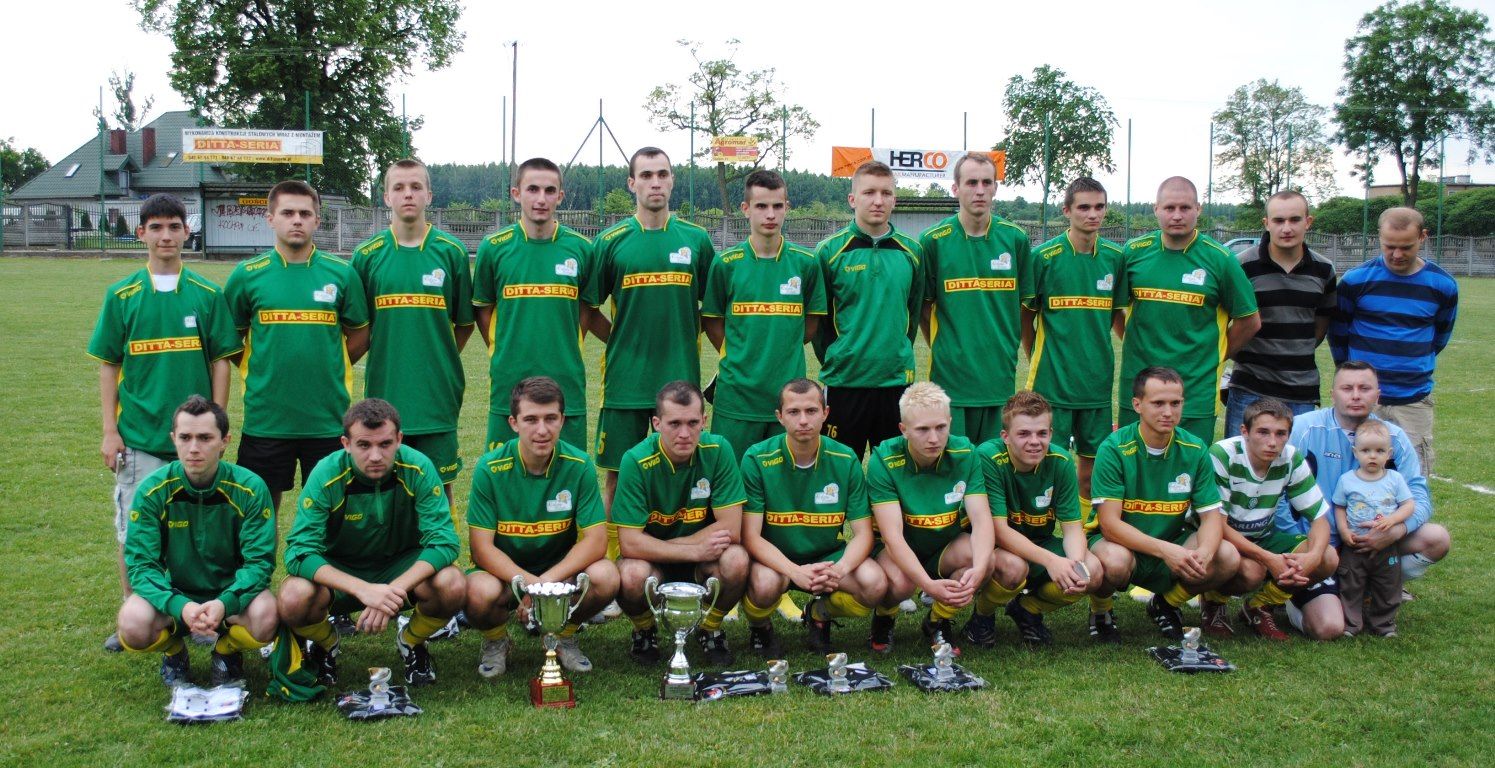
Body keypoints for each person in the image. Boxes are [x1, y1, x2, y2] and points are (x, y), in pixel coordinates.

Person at [89, 193, 242, 652]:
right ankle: (134, 610)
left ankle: (203, 614)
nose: (166, 235)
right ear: (141, 233)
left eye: (174, 226)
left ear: (186, 232)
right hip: (141, 438)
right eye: (155, 227)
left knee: (199, 531)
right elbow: (109, 365)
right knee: (135, 531)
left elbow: (220, 361)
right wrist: (110, 430)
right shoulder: (122, 295)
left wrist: (216, 425)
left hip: (196, 442)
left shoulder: (207, 294)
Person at [278, 398, 465, 687]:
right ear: (346, 443)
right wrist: (363, 590)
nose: (375, 456)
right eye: (364, 445)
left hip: (401, 567)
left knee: (452, 583)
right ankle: (326, 643)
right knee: (293, 596)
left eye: (385, 444)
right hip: (342, 570)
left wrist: (392, 590)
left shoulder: (418, 467)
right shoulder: (327, 473)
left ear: (399, 439)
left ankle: (411, 641)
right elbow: (298, 552)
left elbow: (445, 543)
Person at [224, 180, 369, 514]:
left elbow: (360, 336)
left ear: (317, 220)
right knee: (259, 513)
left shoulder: (341, 273)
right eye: (287, 213)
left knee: (333, 512)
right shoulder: (247, 275)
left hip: (327, 419)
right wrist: (259, 366)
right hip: (266, 419)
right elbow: (229, 340)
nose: (297, 220)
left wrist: (330, 364)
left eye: (305, 213)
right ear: (270, 218)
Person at [583, 147, 714, 515]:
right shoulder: (610, 241)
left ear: (672, 180)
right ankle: (613, 548)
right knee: (617, 476)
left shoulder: (696, 240)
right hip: (625, 381)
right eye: (646, 175)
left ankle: (676, 546)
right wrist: (619, 337)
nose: (655, 182)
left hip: (680, 379)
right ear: (632, 183)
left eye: (662, 174)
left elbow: (715, 308)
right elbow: (588, 307)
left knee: (680, 474)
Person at [462, 377, 618, 678]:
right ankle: (497, 640)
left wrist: (543, 585)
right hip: (504, 576)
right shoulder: (489, 468)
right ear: (513, 423)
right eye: (531, 419)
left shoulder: (579, 464)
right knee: (476, 591)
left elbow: (597, 541)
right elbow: (481, 549)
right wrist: (528, 585)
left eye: (550, 418)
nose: (542, 430)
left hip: (559, 574)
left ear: (562, 420)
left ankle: (564, 635)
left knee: (606, 575)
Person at [116, 396, 276, 688]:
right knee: (132, 623)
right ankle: (174, 653)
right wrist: (181, 606)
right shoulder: (152, 490)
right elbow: (141, 566)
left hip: (231, 594)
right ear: (173, 439)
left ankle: (226, 651)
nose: (193, 448)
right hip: (177, 593)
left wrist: (225, 603)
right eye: (185, 437)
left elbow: (259, 564)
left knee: (267, 617)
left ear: (224, 441)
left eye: (205, 438)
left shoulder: (250, 488)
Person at [1278, 361, 1450, 630]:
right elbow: (1275, 491)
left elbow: (1419, 496)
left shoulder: (1394, 438)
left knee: (1436, 539)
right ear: (1332, 394)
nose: (1356, 395)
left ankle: (1371, 588)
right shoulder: (1302, 429)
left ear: (1377, 395)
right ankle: (1291, 599)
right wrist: (1303, 542)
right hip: (1317, 545)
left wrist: (1396, 530)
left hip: (1372, 541)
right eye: (1347, 388)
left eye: (1364, 388)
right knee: (1328, 628)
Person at [865, 382, 1026, 654]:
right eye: (922, 430)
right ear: (903, 429)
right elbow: (892, 537)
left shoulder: (965, 453)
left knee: (985, 559)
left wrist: (980, 568)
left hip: (944, 547)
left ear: (950, 422)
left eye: (941, 427)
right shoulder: (883, 459)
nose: (934, 438)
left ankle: (937, 620)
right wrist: (927, 585)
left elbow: (982, 520)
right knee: (902, 582)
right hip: (898, 549)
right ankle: (885, 616)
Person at [352, 158, 475, 495]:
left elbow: (464, 324)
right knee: (386, 488)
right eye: (399, 187)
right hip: (385, 392)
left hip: (437, 395)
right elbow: (358, 328)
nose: (408, 194)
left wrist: (438, 357)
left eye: (416, 186)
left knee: (440, 490)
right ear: (386, 197)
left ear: (429, 196)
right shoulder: (367, 255)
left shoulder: (452, 252)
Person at [1090, 367, 1240, 640]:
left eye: (1175, 403)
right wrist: (1166, 551)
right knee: (1114, 561)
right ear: (1137, 405)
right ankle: (1101, 610)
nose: (1168, 412)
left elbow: (1211, 517)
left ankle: (1166, 604)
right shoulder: (1113, 448)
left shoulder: (1195, 449)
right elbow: (1109, 525)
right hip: (1121, 545)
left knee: (1227, 556)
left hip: (1173, 542)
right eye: (1158, 403)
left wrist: (1205, 554)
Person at [739, 378, 886, 655]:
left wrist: (839, 570)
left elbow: (864, 534)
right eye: (793, 412)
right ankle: (760, 628)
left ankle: (819, 613)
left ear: (825, 413)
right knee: (765, 584)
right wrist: (794, 571)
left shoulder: (846, 459)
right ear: (779, 417)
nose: (803, 420)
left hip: (827, 558)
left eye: (811, 411)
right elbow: (750, 536)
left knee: (874, 583)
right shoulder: (757, 458)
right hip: (775, 559)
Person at [612, 381, 749, 666]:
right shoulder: (635, 461)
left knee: (736, 559)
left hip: (700, 559)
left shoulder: (719, 450)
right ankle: (645, 630)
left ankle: (710, 629)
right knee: (631, 574)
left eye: (692, 423)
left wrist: (657, 545)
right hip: (657, 563)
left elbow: (731, 528)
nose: (684, 434)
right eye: (674, 424)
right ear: (656, 424)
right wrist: (693, 549)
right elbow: (629, 543)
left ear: (704, 421)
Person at [473, 158, 604, 452]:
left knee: (568, 471)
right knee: (504, 470)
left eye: (549, 190)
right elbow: (483, 308)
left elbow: (587, 308)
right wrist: (501, 346)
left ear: (560, 196)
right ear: (516, 193)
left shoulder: (581, 248)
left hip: (566, 379)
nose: (541, 199)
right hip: (509, 379)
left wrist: (569, 341)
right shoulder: (493, 247)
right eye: (532, 189)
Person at [1117, 177, 1260, 442]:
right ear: (1156, 209)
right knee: (1134, 461)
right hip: (1139, 384)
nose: (1177, 215)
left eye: (1185, 208)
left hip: (1195, 390)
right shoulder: (1133, 253)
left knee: (1188, 464)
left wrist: (1215, 356)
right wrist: (1135, 342)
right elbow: (1115, 309)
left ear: (1198, 209)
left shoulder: (1220, 259)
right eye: (1169, 208)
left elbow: (1249, 321)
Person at [702, 169, 826, 460]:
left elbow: (810, 325)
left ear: (787, 208)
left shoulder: (807, 263)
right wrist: (739, 353)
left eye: (777, 206)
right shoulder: (725, 263)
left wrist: (782, 345)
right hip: (736, 397)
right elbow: (712, 322)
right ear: (745, 209)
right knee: (731, 478)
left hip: (790, 399)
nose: (770, 214)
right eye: (761, 206)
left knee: (783, 479)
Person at [1023, 177, 1126, 527]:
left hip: (1097, 385)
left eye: (1099, 207)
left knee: (1090, 468)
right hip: (1052, 383)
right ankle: (1040, 529)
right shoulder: (1043, 257)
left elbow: (1117, 316)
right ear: (1067, 211)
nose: (1092, 214)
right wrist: (1037, 356)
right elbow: (1026, 317)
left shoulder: (1115, 259)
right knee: (1044, 464)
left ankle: (1082, 528)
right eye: (1083, 207)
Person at [1330, 207, 1458, 474]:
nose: (1397, 254)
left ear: (1422, 237)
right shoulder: (1355, 281)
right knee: (1353, 475)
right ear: (1379, 237)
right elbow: (1339, 333)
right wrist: (1355, 378)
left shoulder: (1443, 285)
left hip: (1413, 400)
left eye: (1406, 247)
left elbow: (1440, 337)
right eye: (1389, 246)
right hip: (1361, 400)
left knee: (1412, 478)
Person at [814, 160, 925, 459]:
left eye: (886, 193)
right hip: (845, 382)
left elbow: (912, 314)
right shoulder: (829, 252)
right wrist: (840, 355)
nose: (878, 201)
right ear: (852, 199)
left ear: (894, 200)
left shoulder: (913, 252)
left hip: (896, 382)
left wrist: (896, 351)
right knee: (839, 471)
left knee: (893, 472)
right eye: (869, 192)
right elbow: (820, 323)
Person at [978, 391, 1108, 646]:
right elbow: (998, 531)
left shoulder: (1061, 461)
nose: (1035, 442)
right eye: (1023, 434)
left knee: (1090, 571)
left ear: (1051, 433)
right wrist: (1052, 561)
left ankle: (1028, 608)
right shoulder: (988, 458)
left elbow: (1072, 529)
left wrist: (1074, 565)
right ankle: (982, 616)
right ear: (1005, 436)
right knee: (1013, 567)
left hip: (1039, 542)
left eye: (1042, 433)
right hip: (996, 546)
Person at [919, 152, 1029, 444]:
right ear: (955, 189)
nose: (979, 190)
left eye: (986, 182)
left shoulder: (1015, 239)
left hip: (999, 378)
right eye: (971, 183)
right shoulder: (933, 240)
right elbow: (924, 308)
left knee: (993, 463)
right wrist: (948, 348)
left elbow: (1023, 307)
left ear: (995, 188)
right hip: (950, 380)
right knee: (953, 463)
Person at [1204, 397, 1337, 641]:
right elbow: (1216, 525)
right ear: (1245, 431)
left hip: (1263, 537)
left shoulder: (1291, 457)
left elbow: (1319, 518)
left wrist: (1313, 557)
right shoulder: (1223, 455)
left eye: (1281, 433)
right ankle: (1213, 601)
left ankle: (1260, 606)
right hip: (1220, 538)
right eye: (1263, 432)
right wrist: (1268, 559)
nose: (1272, 442)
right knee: (1252, 572)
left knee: (1328, 557)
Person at [1224, 191, 1337, 436]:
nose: (1286, 228)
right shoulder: (1241, 266)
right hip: (1249, 389)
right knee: (1241, 459)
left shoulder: (1324, 270)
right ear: (1266, 223)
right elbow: (1225, 322)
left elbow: (1320, 327)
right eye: (1278, 220)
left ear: (1308, 222)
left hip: (1301, 392)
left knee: (1296, 460)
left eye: (1294, 219)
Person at [1331, 420, 1413, 637]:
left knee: (1389, 586)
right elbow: (1339, 507)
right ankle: (1351, 624)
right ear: (1355, 452)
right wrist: (1343, 530)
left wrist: (1393, 520)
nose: (1373, 456)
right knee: (1351, 585)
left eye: (1379, 451)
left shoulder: (1394, 479)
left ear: (1389, 454)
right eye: (1366, 450)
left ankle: (1384, 624)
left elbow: (1408, 505)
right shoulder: (1347, 480)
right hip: (1354, 546)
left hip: (1386, 547)